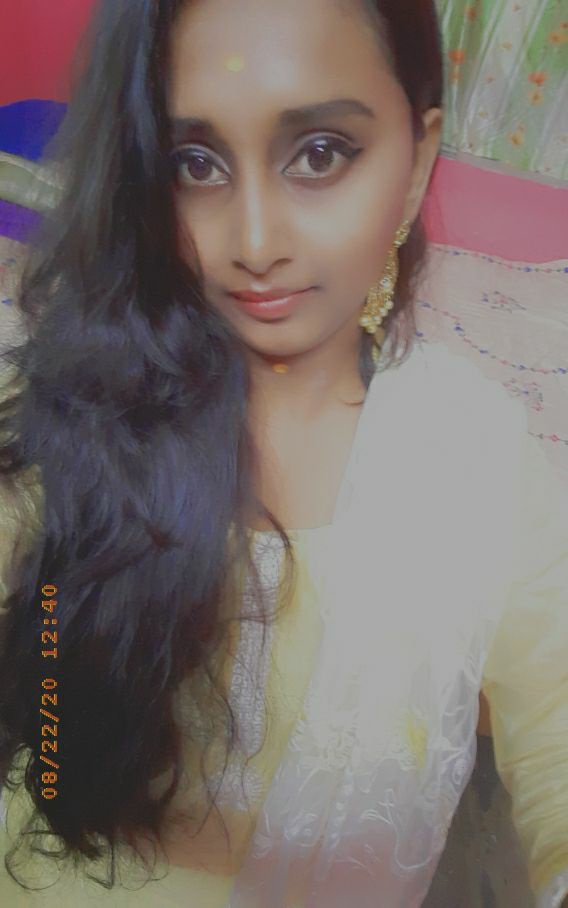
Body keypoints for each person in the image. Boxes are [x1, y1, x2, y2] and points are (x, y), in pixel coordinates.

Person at [0, 0, 567, 905]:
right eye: (195, 164)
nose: (255, 244)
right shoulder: (82, 410)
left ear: (417, 162)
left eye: (320, 153)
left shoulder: (482, 470)